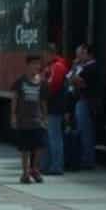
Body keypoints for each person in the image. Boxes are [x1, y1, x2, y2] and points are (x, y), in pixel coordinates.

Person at [10, 53, 48, 183]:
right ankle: (25, 173)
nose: (37, 66)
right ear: (28, 65)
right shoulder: (20, 82)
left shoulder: (42, 83)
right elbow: (15, 99)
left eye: (38, 64)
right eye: (34, 64)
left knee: (39, 147)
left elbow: (43, 101)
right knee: (25, 149)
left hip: (37, 120)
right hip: (23, 121)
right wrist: (13, 116)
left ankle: (35, 170)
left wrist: (45, 117)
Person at [70, 43, 101, 171]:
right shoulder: (87, 67)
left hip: (86, 102)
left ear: (88, 54)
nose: (78, 57)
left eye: (80, 54)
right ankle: (86, 158)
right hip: (85, 101)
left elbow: (74, 80)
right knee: (84, 131)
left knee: (85, 132)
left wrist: (74, 66)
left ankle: (87, 160)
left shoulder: (90, 68)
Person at [41, 45, 69, 178]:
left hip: (54, 107)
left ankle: (57, 166)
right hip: (50, 106)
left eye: (45, 55)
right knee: (47, 137)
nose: (44, 58)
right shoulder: (51, 67)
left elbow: (53, 86)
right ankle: (46, 165)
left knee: (54, 137)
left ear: (51, 54)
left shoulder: (57, 67)